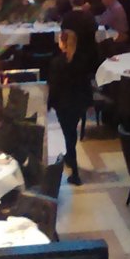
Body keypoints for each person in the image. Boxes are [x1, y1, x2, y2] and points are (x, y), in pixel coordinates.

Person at [47, 29, 91, 186]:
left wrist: (49, 104)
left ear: (63, 43)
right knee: (71, 134)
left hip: (63, 105)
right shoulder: (82, 61)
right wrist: (88, 102)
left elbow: (54, 87)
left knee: (69, 136)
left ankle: (75, 172)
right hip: (78, 104)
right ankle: (70, 158)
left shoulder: (57, 63)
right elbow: (86, 84)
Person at [60, 0, 98, 73]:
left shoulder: (67, 16)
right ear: (83, 3)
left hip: (72, 49)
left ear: (72, 4)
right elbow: (95, 28)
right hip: (88, 49)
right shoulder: (89, 16)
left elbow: (63, 30)